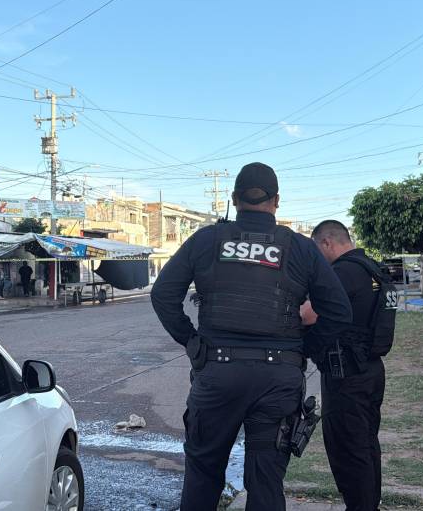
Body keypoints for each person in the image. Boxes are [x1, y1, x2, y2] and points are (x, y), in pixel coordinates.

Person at [151, 162, 353, 511]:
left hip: (217, 373)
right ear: (277, 200)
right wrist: (303, 350)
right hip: (278, 380)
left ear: (234, 199)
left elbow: (162, 294)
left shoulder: (207, 240)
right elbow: (338, 311)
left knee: (202, 475)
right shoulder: (300, 247)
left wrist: (192, 342)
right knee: (265, 482)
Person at [302, 220, 396, 511]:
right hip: (371, 370)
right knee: (365, 444)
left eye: (317, 250)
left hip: (345, 374)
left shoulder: (342, 272)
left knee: (347, 449)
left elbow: (308, 315)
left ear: (326, 243)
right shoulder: (373, 269)